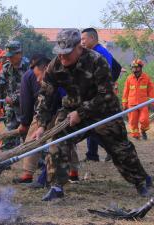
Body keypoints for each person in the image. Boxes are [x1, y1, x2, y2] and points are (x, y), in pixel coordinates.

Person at [34, 29, 150, 201]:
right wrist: (42, 124)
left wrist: (81, 113)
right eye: (59, 54)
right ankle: (56, 187)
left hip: (104, 111)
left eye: (67, 54)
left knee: (121, 150)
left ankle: (142, 183)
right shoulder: (55, 65)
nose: (62, 58)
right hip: (72, 109)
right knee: (58, 142)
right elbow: (45, 95)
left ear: (79, 48)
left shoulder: (97, 61)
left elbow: (106, 95)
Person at [13, 56, 80, 185]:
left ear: (46, 68)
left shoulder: (60, 74)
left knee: (57, 140)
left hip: (66, 110)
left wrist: (26, 123)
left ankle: (31, 174)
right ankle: (73, 171)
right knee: (65, 139)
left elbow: (26, 102)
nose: (38, 80)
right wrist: (40, 124)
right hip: (52, 110)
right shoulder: (44, 75)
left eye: (39, 76)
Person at [81, 27, 118, 162]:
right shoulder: (94, 51)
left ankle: (112, 151)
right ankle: (92, 154)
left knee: (96, 127)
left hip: (100, 97)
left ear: (92, 38)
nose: (82, 42)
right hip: (94, 96)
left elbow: (103, 77)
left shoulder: (100, 53)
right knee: (93, 126)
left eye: (84, 39)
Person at [0, 41, 24, 150]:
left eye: (11, 56)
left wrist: (13, 98)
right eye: (8, 56)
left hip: (26, 110)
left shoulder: (29, 67)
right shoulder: (7, 67)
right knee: (9, 137)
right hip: (12, 110)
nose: (9, 59)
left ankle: (42, 164)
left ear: (19, 54)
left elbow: (27, 91)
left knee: (32, 138)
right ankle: (4, 162)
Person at [122, 59, 154, 140]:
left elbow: (151, 90)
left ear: (141, 68)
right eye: (133, 68)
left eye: (137, 68)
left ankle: (143, 130)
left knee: (145, 120)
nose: (135, 70)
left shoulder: (146, 78)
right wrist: (124, 104)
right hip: (132, 104)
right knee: (133, 121)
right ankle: (136, 135)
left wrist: (152, 101)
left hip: (143, 103)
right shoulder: (129, 78)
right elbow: (125, 92)